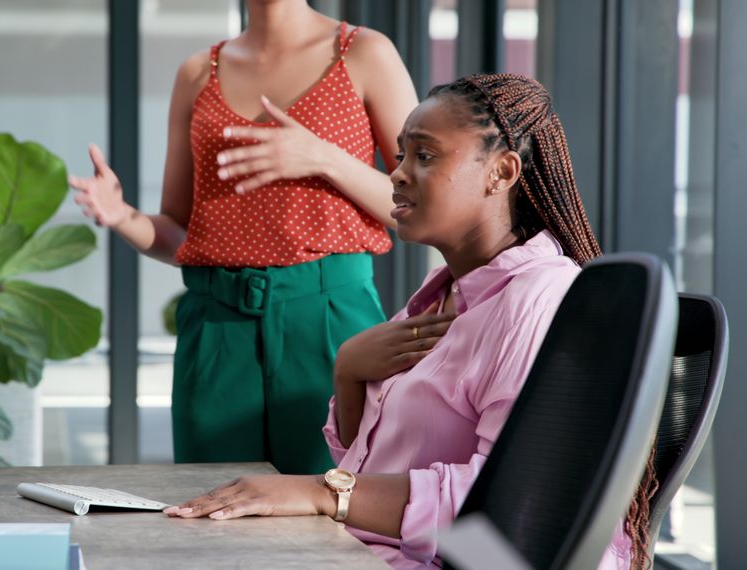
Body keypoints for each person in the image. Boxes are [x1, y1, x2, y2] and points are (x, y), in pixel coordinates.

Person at [163, 74, 655, 569]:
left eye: (425, 155)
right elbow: (371, 465)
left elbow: (515, 506)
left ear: (501, 172)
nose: (397, 174)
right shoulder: (443, 294)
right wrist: (349, 371)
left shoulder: (537, 299)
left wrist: (321, 492)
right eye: (401, 156)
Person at [69, 0, 418, 474]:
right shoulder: (197, 73)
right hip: (216, 329)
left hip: (331, 319)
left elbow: (419, 202)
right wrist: (123, 216)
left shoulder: (365, 53)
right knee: (212, 507)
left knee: (335, 499)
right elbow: (179, 232)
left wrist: (322, 157)